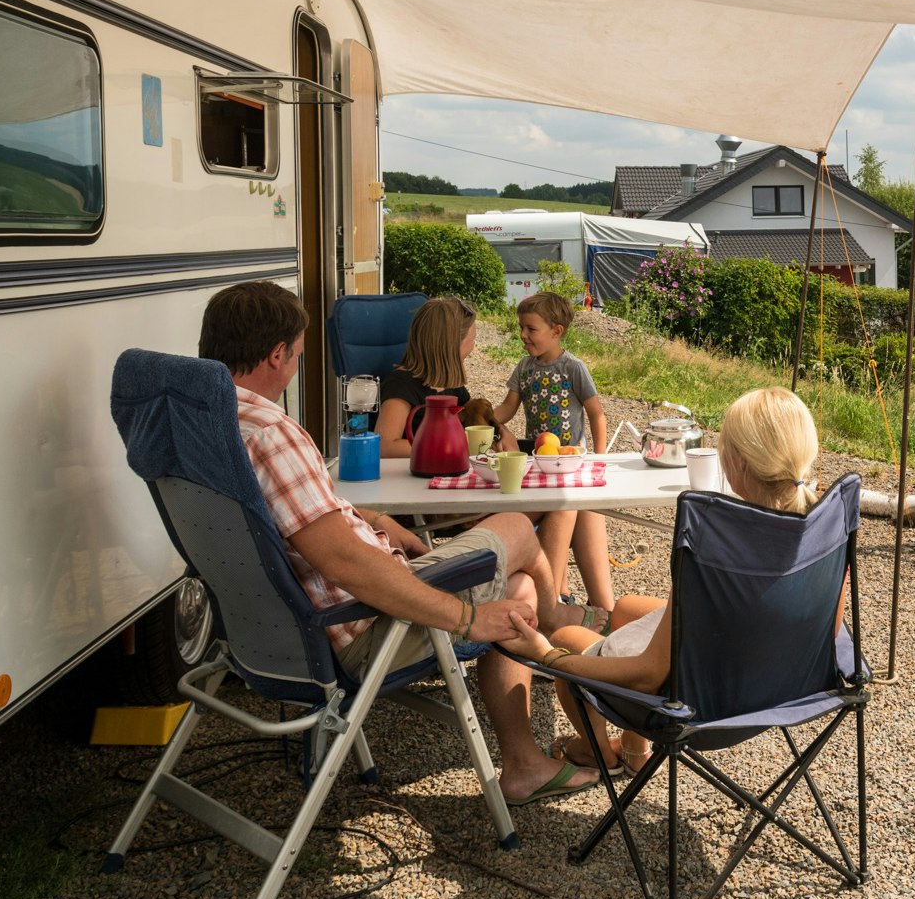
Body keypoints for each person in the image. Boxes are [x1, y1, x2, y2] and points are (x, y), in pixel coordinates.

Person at [200, 280, 594, 806]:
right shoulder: (274, 433)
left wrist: (377, 521)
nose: (295, 364)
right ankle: (554, 641)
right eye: (296, 354)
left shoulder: (208, 421)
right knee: (518, 532)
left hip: (270, 630)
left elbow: (299, 516)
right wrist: (463, 618)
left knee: (518, 582)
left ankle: (531, 732)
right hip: (360, 627)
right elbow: (343, 560)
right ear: (276, 354)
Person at [505, 386, 826, 776]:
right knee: (624, 609)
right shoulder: (824, 527)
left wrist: (548, 656)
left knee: (568, 639)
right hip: (781, 680)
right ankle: (633, 750)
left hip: (705, 702)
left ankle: (599, 753)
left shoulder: (715, 544)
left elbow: (648, 674)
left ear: (736, 464)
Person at [495, 290, 618, 616]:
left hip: (571, 458)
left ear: (556, 331)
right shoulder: (524, 368)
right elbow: (508, 408)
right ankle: (559, 593)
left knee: (566, 511)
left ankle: (560, 592)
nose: (523, 335)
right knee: (556, 515)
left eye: (530, 329)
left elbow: (596, 413)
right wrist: (481, 418)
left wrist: (599, 456)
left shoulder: (573, 367)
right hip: (538, 459)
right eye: (521, 327)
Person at [373, 293, 476, 457]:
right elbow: (384, 445)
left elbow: (474, 416)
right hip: (410, 477)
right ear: (451, 346)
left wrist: (501, 432)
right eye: (472, 339)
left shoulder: (449, 383)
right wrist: (448, 446)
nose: (473, 346)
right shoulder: (402, 385)